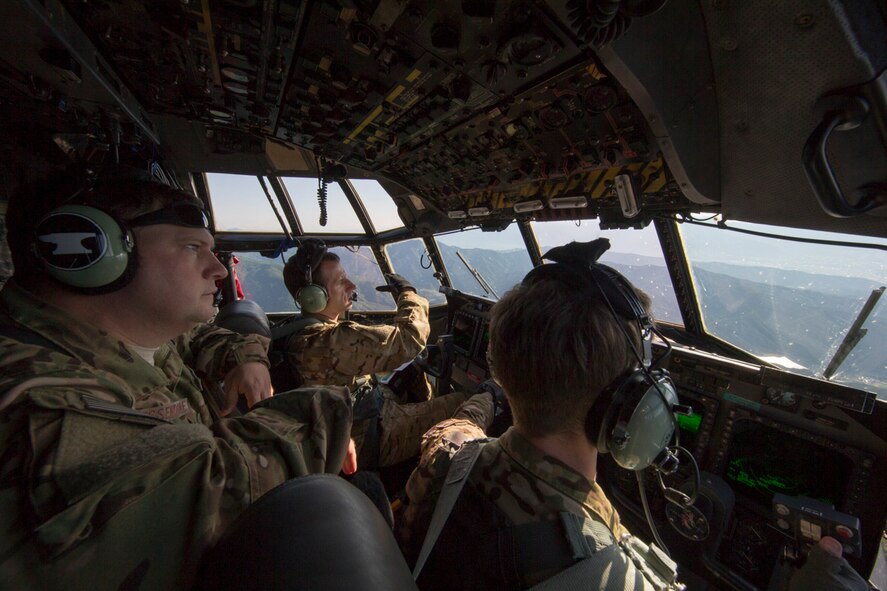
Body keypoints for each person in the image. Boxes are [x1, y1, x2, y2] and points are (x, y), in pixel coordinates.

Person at [395, 239, 868, 591]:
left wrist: (490, 400)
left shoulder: (449, 460)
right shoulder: (607, 576)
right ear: (630, 403)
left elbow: (455, 428)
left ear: (502, 367)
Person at [0, 168, 354, 590]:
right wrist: (327, 411)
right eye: (192, 248)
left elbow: (203, 336)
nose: (219, 271)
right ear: (90, 254)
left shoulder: (119, 331)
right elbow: (202, 492)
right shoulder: (35, 398)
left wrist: (249, 357)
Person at [282, 243, 470, 468]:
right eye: (340, 281)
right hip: (371, 436)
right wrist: (408, 295)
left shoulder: (294, 330)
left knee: (412, 372)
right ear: (314, 297)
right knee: (463, 402)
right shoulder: (333, 340)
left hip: (352, 418)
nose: (351, 285)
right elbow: (410, 339)